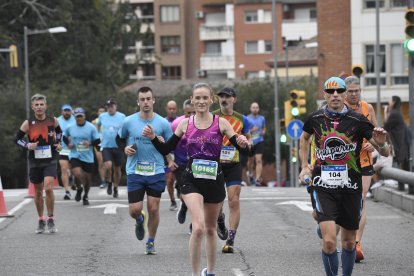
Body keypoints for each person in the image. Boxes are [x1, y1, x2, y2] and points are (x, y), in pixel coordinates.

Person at [142, 83, 250, 276]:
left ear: (211, 100)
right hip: (191, 179)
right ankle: (194, 274)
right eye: (197, 98)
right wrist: (152, 138)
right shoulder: (185, 124)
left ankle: (210, 271)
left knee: (210, 229)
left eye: (204, 98)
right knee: (198, 227)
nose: (200, 101)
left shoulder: (221, 123)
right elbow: (167, 149)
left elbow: (242, 149)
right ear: (192, 100)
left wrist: (244, 143)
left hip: (214, 180)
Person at [299, 77, 390, 276]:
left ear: (344, 94)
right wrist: (305, 166)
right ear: (324, 94)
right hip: (323, 185)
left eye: (339, 91)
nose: (335, 95)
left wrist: (382, 143)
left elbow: (385, 153)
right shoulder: (315, 118)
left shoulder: (357, 120)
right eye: (330, 92)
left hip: (350, 186)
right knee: (330, 241)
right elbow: (304, 137)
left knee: (349, 242)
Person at [116, 86, 173, 255]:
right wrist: (125, 148)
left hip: (156, 170)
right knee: (134, 210)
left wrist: (162, 142)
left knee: (154, 208)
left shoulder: (163, 123)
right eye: (142, 99)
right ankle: (140, 219)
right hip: (135, 170)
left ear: (153, 100)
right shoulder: (128, 121)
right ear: (138, 102)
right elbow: (118, 139)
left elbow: (169, 148)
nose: (146, 102)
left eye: (148, 99)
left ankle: (151, 241)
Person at [13, 94, 62, 233]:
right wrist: (28, 145)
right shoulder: (28, 123)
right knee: (38, 192)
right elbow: (16, 139)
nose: (39, 107)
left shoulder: (53, 120)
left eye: (42, 104)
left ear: (46, 106)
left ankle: (51, 218)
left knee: (48, 188)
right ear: (33, 107)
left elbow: (59, 133)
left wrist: (59, 143)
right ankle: (41, 219)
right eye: (37, 105)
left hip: (50, 158)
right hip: (35, 161)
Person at [212, 87, 252, 253]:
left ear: (234, 99)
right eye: (221, 96)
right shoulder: (212, 117)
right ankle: (220, 219)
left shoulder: (242, 119)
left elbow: (249, 141)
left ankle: (230, 239)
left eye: (227, 96)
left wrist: (246, 141)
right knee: (217, 203)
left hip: (234, 164)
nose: (224, 99)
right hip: (215, 164)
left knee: (233, 200)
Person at [344, 76, 378, 262]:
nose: (354, 94)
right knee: (343, 200)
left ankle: (357, 243)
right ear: (345, 92)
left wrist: (374, 145)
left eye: (357, 90)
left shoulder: (368, 108)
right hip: (345, 162)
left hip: (364, 160)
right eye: (351, 91)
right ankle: (331, 228)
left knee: (361, 199)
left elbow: (376, 133)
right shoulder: (340, 109)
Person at [64, 108, 101, 206]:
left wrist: (90, 143)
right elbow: (64, 136)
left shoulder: (91, 127)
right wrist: (68, 144)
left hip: (88, 157)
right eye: (77, 117)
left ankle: (86, 195)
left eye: (81, 116)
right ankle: (79, 189)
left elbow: (97, 140)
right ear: (74, 117)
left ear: (84, 116)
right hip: (75, 154)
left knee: (88, 180)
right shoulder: (70, 127)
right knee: (76, 174)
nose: (79, 118)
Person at [172, 99, 195, 230]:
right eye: (188, 113)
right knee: (185, 195)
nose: (191, 116)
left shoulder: (203, 124)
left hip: (197, 163)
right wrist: (170, 160)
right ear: (184, 112)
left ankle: (194, 223)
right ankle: (184, 206)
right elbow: (170, 144)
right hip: (180, 163)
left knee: (197, 194)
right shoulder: (176, 124)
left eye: (194, 112)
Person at [98, 99, 126, 198]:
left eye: (112, 106)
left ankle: (116, 187)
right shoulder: (102, 116)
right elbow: (98, 127)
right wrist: (100, 137)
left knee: (117, 169)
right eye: (108, 106)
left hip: (118, 146)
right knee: (108, 166)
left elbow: (125, 129)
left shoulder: (122, 116)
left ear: (116, 106)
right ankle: (109, 182)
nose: (110, 108)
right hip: (106, 146)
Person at [384, 95, 410, 171]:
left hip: (396, 144)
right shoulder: (398, 112)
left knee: (398, 167)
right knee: (401, 167)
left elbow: (385, 127)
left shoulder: (394, 113)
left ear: (394, 102)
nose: (389, 102)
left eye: (390, 100)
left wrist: (386, 113)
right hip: (400, 143)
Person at [57, 104, 76, 200]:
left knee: (75, 169)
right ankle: (67, 191)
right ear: (62, 111)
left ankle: (73, 178)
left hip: (75, 149)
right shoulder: (57, 120)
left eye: (68, 110)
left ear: (71, 111)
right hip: (63, 148)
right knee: (64, 169)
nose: (67, 112)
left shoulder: (76, 119)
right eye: (65, 110)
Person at [247, 102, 266, 186]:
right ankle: (250, 173)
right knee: (250, 161)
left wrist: (263, 132)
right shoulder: (247, 118)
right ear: (251, 109)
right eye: (253, 107)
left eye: (256, 107)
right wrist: (252, 130)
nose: (255, 109)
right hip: (250, 141)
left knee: (258, 160)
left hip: (259, 141)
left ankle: (258, 179)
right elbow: (244, 131)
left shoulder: (262, 118)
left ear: (258, 109)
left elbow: (264, 128)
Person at [165, 100, 178, 210]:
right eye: (170, 109)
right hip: (168, 154)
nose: (172, 111)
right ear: (167, 109)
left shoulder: (181, 121)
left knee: (180, 177)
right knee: (169, 179)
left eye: (174, 109)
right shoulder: (163, 122)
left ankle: (179, 188)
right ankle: (172, 201)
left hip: (180, 153)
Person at [92, 105, 107, 189]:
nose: (101, 113)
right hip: (97, 143)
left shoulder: (108, 120)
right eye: (100, 111)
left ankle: (108, 180)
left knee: (107, 163)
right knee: (100, 162)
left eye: (103, 111)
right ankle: (103, 181)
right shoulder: (94, 122)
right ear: (98, 113)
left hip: (106, 143)